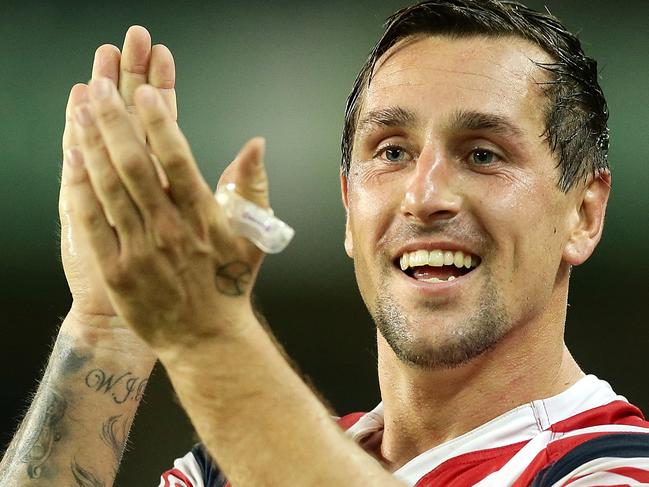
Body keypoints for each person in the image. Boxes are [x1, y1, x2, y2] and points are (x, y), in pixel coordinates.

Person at [2, 0, 649, 486]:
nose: (423, 196)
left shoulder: (614, 466)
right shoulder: (226, 470)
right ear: (347, 205)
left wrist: (206, 335)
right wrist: (107, 320)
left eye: (481, 153)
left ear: (583, 213)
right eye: (390, 151)